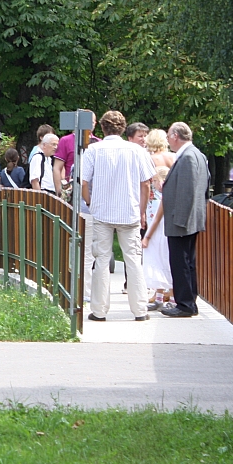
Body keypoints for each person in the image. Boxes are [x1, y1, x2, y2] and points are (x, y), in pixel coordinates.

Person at [81, 110, 156, 321]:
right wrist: (141, 211)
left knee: (101, 260)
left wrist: (89, 202)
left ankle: (99, 310)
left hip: (102, 212)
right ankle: (140, 310)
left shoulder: (93, 150)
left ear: (102, 128)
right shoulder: (137, 151)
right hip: (129, 212)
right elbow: (146, 184)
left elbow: (84, 182)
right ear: (123, 129)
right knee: (133, 260)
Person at [160, 122, 210, 318]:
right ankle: (189, 301)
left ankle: (185, 304)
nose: (167, 140)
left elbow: (187, 191)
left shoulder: (188, 157)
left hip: (182, 220)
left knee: (180, 262)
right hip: (190, 218)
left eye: (168, 136)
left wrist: (180, 220)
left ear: (175, 136)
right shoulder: (197, 154)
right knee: (187, 262)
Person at [53, 111, 99, 295]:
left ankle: (84, 288)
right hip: (75, 200)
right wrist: (61, 193)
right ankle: (77, 286)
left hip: (92, 202)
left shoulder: (98, 143)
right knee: (76, 243)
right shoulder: (66, 141)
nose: (90, 125)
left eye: (93, 122)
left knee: (89, 247)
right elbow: (57, 168)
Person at [142, 166, 173, 309]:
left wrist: (147, 236)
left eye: (155, 180)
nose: (153, 184)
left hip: (160, 233)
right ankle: (159, 296)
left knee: (165, 262)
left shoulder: (165, 197)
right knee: (157, 262)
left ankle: (172, 296)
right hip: (155, 233)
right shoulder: (154, 196)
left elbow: (157, 219)